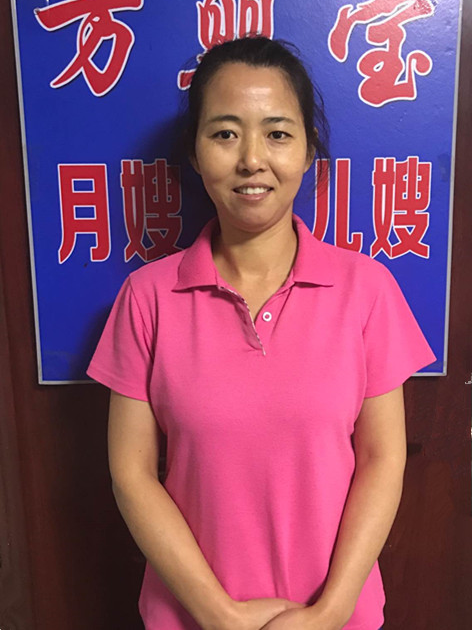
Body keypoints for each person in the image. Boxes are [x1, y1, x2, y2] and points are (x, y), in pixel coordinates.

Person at [87, 36, 435, 630]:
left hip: (336, 617)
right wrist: (219, 615)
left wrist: (329, 612)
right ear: (195, 153)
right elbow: (132, 474)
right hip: (191, 617)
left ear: (308, 150)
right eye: (225, 133)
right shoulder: (147, 298)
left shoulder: (367, 290)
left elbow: (383, 459)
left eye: (277, 133)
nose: (252, 160)